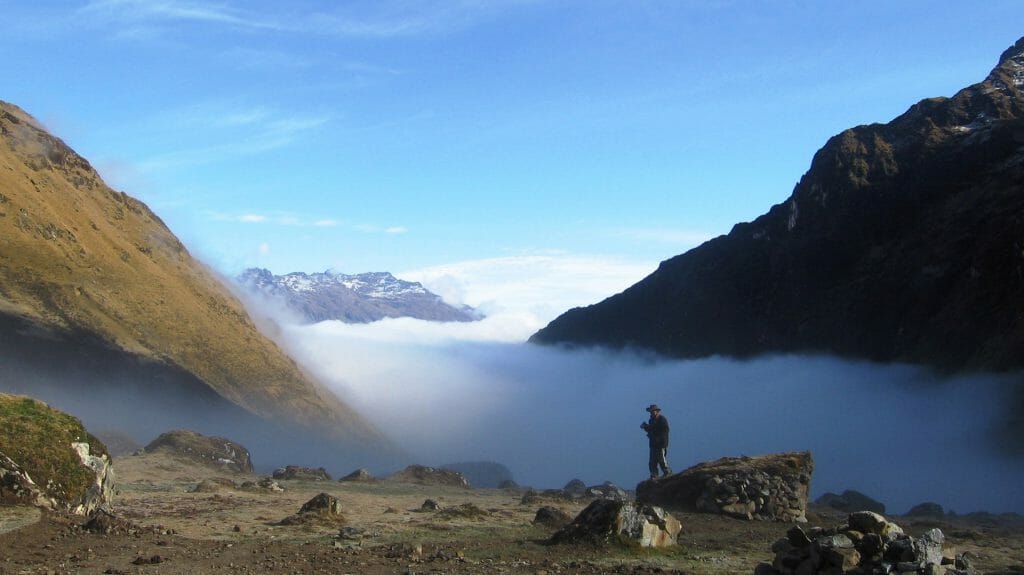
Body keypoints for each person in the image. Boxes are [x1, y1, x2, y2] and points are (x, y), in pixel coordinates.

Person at [641, 404, 672, 480]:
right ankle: (654, 476)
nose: (651, 412)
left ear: (657, 411)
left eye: (653, 411)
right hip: (653, 444)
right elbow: (651, 429)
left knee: (662, 460)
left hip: (661, 444)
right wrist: (645, 427)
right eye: (651, 411)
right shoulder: (651, 420)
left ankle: (667, 473)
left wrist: (659, 438)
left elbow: (665, 430)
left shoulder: (662, 419)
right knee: (652, 462)